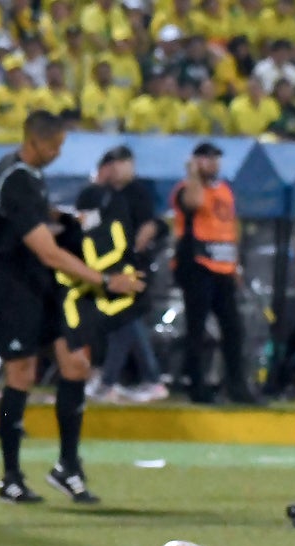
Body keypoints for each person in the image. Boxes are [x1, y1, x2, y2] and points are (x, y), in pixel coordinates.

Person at [0, 111, 146, 505]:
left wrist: (69, 218)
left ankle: (67, 466)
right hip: (12, 288)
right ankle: (10, 475)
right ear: (35, 142)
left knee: (75, 363)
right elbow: (48, 252)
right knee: (20, 373)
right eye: (54, 147)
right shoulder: (16, 179)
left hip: (41, 286)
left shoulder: (28, 173)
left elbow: (42, 220)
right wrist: (106, 280)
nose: (58, 154)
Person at [170, 142, 258, 405]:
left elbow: (230, 227)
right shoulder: (186, 188)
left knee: (233, 328)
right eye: (206, 159)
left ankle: (236, 385)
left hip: (223, 266)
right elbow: (194, 202)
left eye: (215, 159)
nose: (212, 164)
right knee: (197, 328)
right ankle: (196, 386)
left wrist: (236, 264)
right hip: (197, 265)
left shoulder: (225, 190)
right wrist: (193, 173)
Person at [82, 145, 167, 403]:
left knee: (125, 320)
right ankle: (146, 379)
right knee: (125, 323)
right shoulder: (106, 194)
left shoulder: (138, 192)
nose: (117, 169)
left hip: (132, 266)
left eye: (122, 163)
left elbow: (152, 226)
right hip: (112, 266)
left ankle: (112, 381)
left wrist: (145, 239)